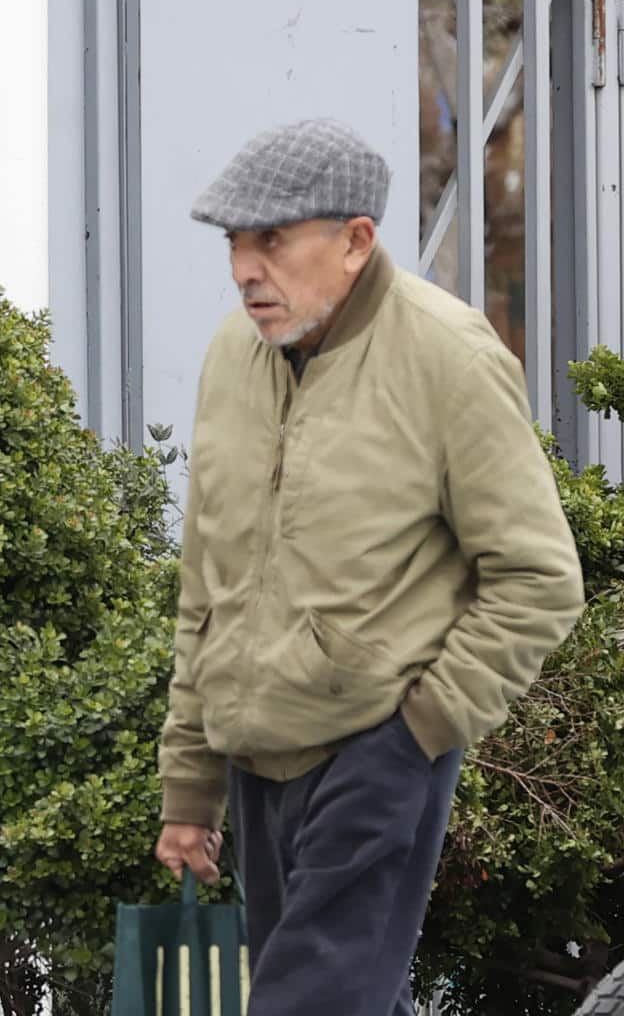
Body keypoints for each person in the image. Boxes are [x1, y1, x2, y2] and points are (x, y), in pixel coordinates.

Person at [151, 118, 586, 1016]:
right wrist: (190, 784)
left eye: (272, 240)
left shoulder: (449, 356)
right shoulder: (234, 354)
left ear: (355, 240)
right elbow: (208, 583)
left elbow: (538, 578)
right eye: (234, 243)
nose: (243, 269)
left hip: (378, 751)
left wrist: (419, 732)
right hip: (255, 758)